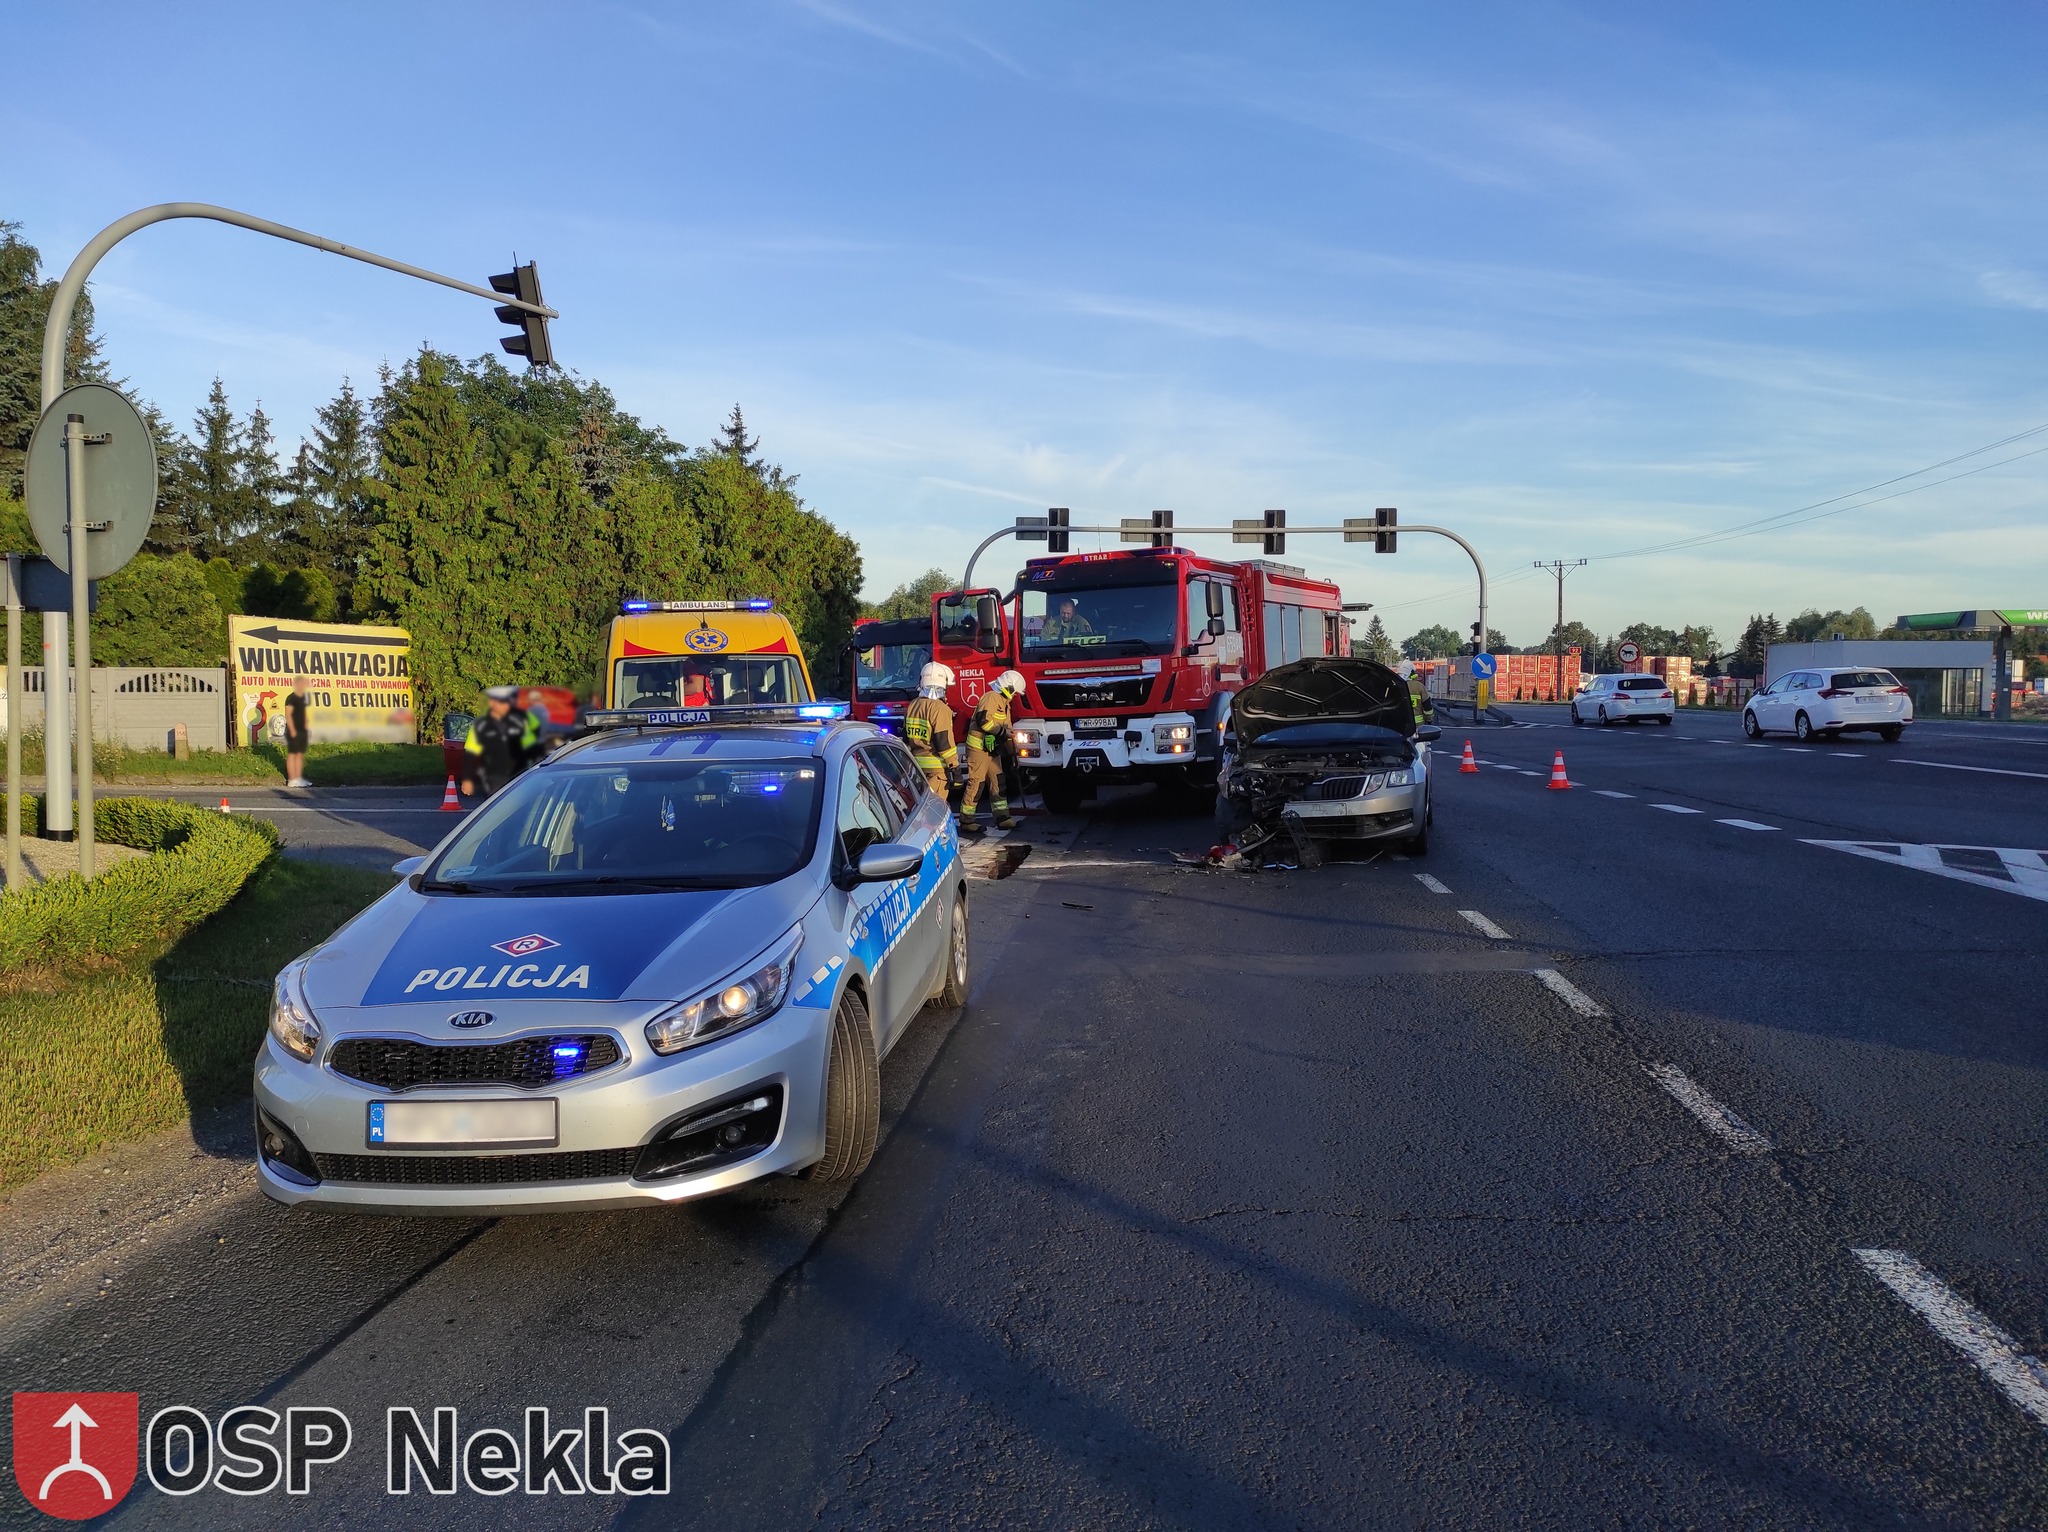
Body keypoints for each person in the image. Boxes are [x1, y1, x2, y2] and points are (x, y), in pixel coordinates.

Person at [959, 669, 1025, 835]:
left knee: (998, 781)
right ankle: (967, 821)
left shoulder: (1004, 703)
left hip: (992, 750)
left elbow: (1007, 730)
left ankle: (1003, 818)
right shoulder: (991, 697)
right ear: (1008, 688)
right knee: (977, 783)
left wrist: (1013, 755)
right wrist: (1001, 732)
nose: (1014, 696)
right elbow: (983, 720)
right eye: (1014, 692)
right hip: (978, 748)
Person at [461, 686, 541, 798]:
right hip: (494, 777)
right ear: (492, 703)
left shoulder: (522, 719)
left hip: (520, 774)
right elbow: (470, 753)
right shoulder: (481, 725)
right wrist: (467, 779)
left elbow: (535, 744)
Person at [902, 663, 959, 800]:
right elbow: (944, 743)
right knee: (935, 809)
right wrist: (955, 767)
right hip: (937, 770)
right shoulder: (940, 708)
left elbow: (906, 737)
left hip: (917, 769)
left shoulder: (913, 705)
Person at [282, 677, 312, 788]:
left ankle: (298, 778)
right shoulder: (291, 698)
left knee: (299, 754)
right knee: (292, 753)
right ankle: (292, 779)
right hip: (293, 730)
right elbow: (288, 715)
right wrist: (293, 730)